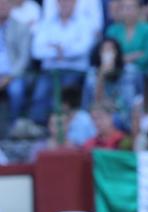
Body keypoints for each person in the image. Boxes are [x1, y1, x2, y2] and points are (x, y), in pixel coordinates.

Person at [30, 0, 94, 125]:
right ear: (57, 4)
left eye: (69, 1)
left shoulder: (84, 22)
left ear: (75, 4)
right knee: (39, 95)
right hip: (50, 70)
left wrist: (55, 48)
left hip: (74, 70)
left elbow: (83, 48)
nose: (65, 4)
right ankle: (38, 128)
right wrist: (63, 50)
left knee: (60, 98)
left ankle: (62, 128)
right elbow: (36, 50)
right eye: (62, 1)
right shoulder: (47, 23)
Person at [81, 37, 143, 133]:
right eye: (104, 50)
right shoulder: (92, 74)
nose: (108, 53)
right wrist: (102, 76)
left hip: (129, 115)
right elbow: (94, 102)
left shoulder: (132, 71)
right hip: (103, 117)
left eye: (111, 50)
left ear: (117, 52)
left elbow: (140, 97)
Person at [0, 0, 30, 133]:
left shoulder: (20, 27)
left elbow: (23, 58)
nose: (2, 8)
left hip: (12, 74)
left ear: (11, 7)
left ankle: (13, 127)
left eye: (5, 4)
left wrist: (9, 77)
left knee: (16, 91)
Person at [106, 0, 148, 73]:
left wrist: (123, 58)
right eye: (124, 7)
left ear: (139, 9)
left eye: (131, 7)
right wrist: (133, 56)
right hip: (118, 72)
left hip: (143, 72)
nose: (127, 11)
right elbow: (109, 53)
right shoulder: (112, 30)